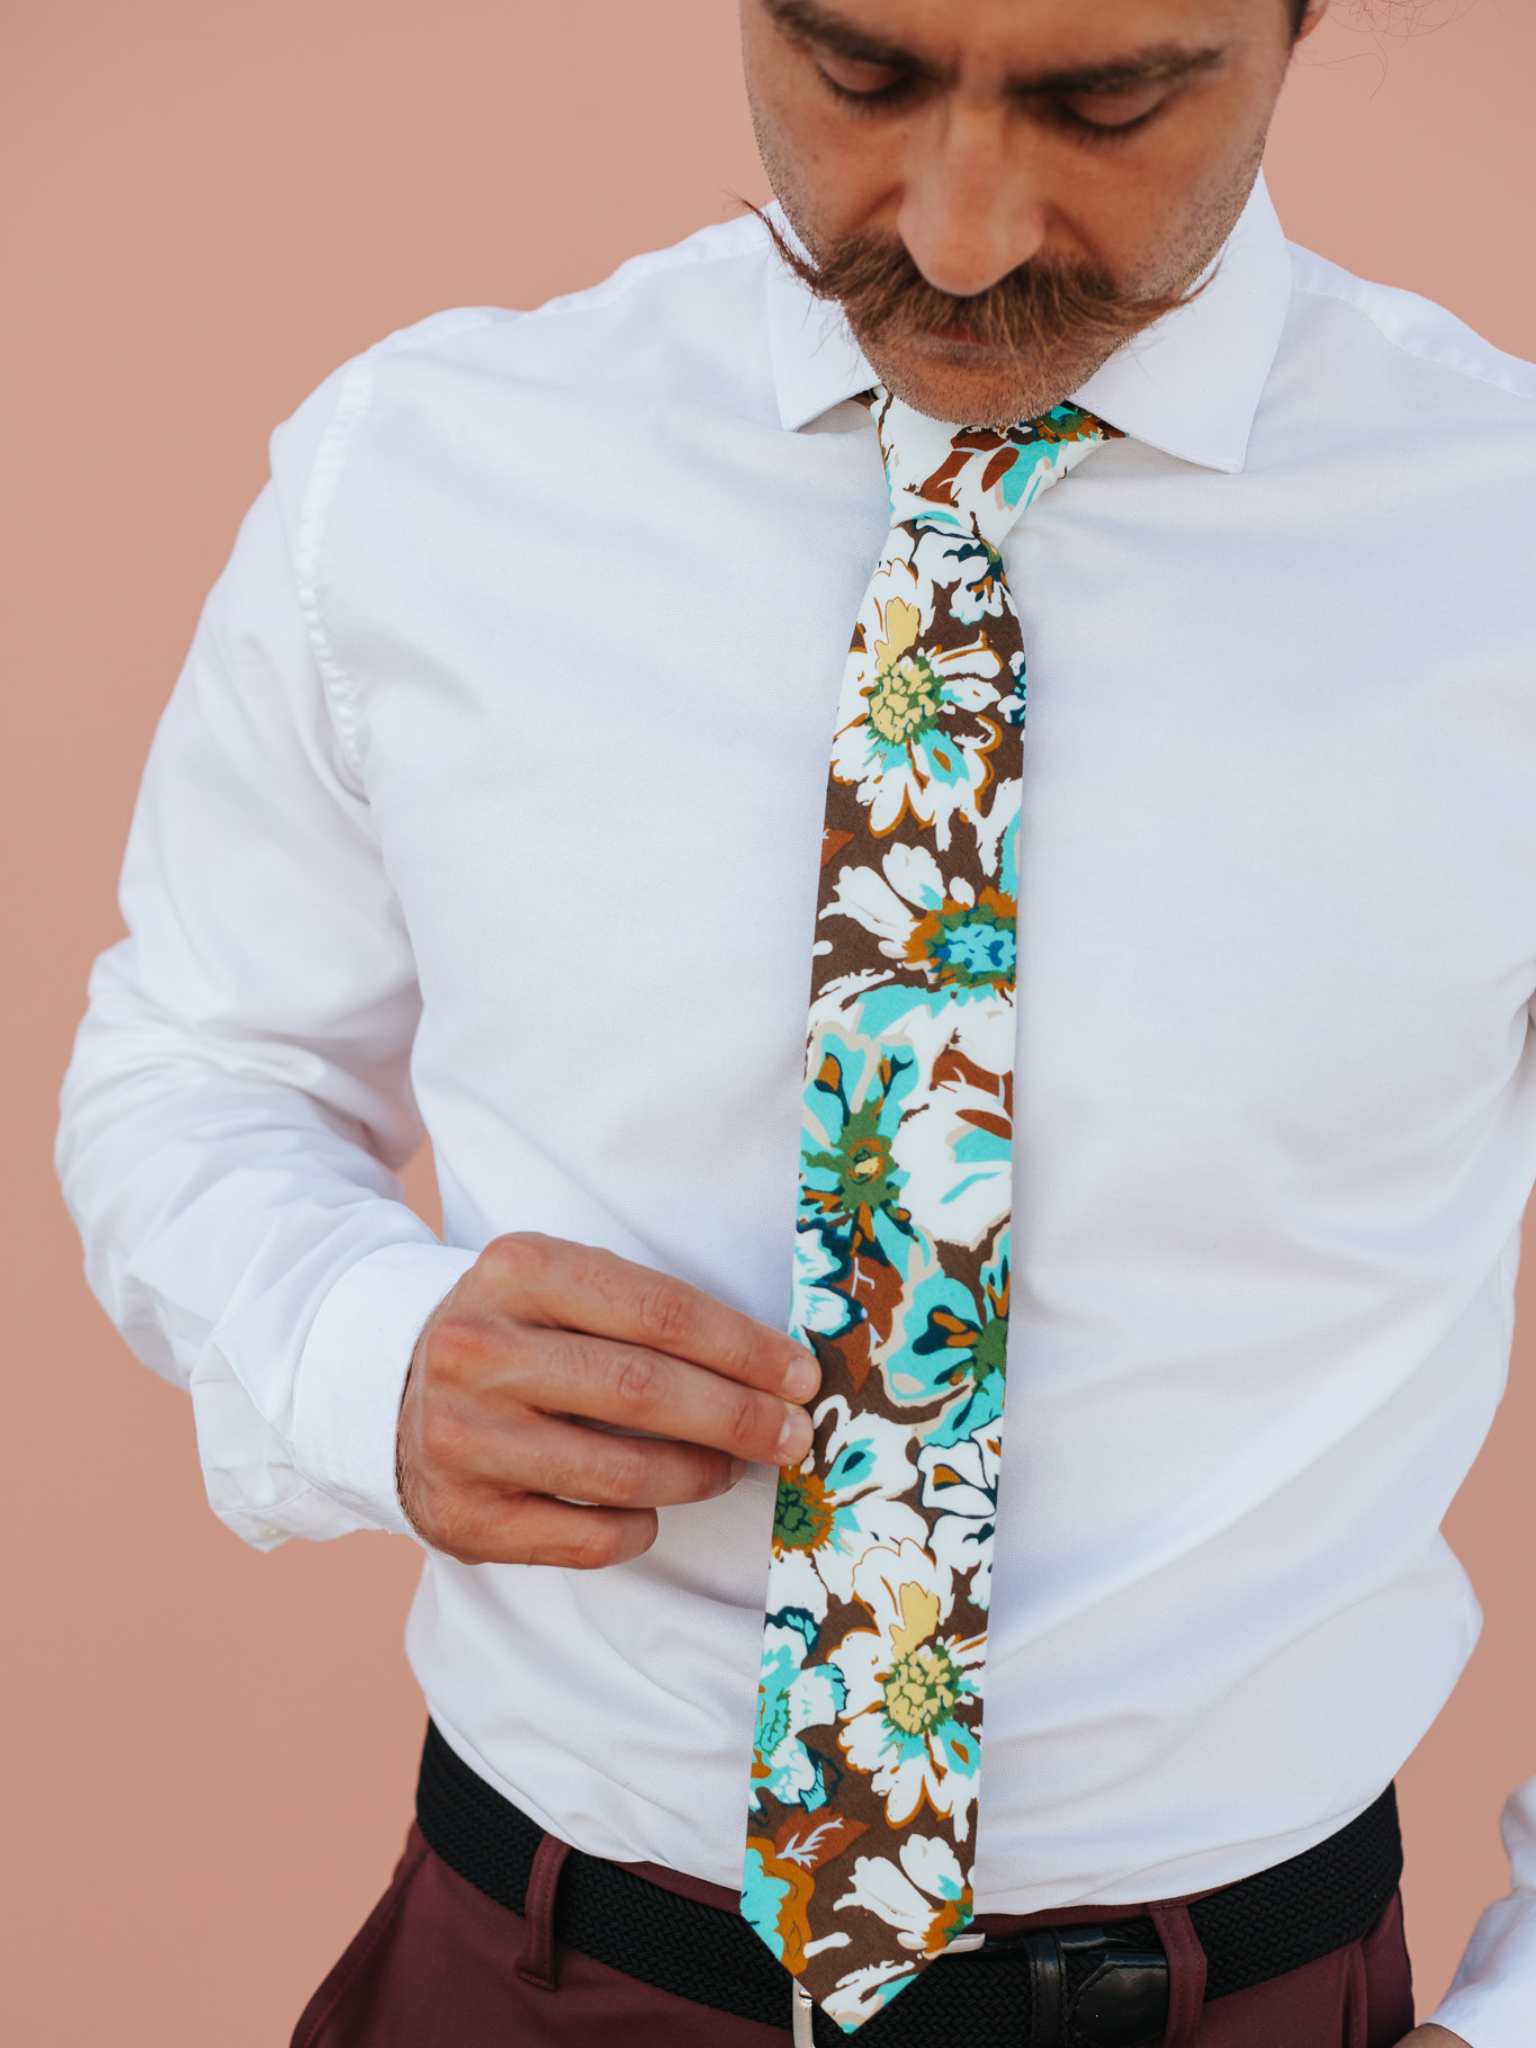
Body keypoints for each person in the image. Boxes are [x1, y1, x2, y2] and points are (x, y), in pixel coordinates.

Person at [55, 0, 1535, 2040]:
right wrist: (345, 1344)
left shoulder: (1505, 551)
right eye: (858, 77)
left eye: (1105, 101)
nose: (953, 232)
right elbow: (199, 1060)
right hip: (526, 1974)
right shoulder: (420, 475)